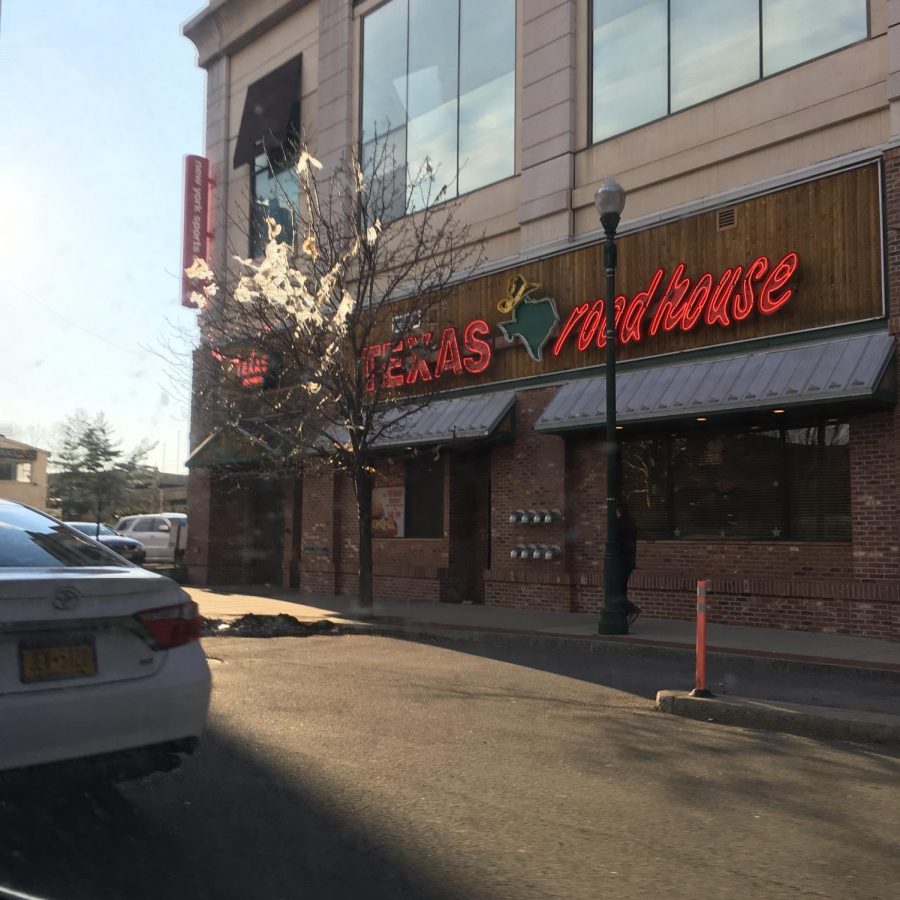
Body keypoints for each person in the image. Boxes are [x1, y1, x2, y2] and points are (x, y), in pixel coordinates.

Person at [614, 500, 642, 625]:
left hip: (620, 561)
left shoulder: (619, 524)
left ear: (618, 511)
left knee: (615, 590)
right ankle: (623, 614)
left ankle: (631, 609)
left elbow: (615, 542)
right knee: (622, 588)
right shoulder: (631, 522)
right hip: (629, 561)